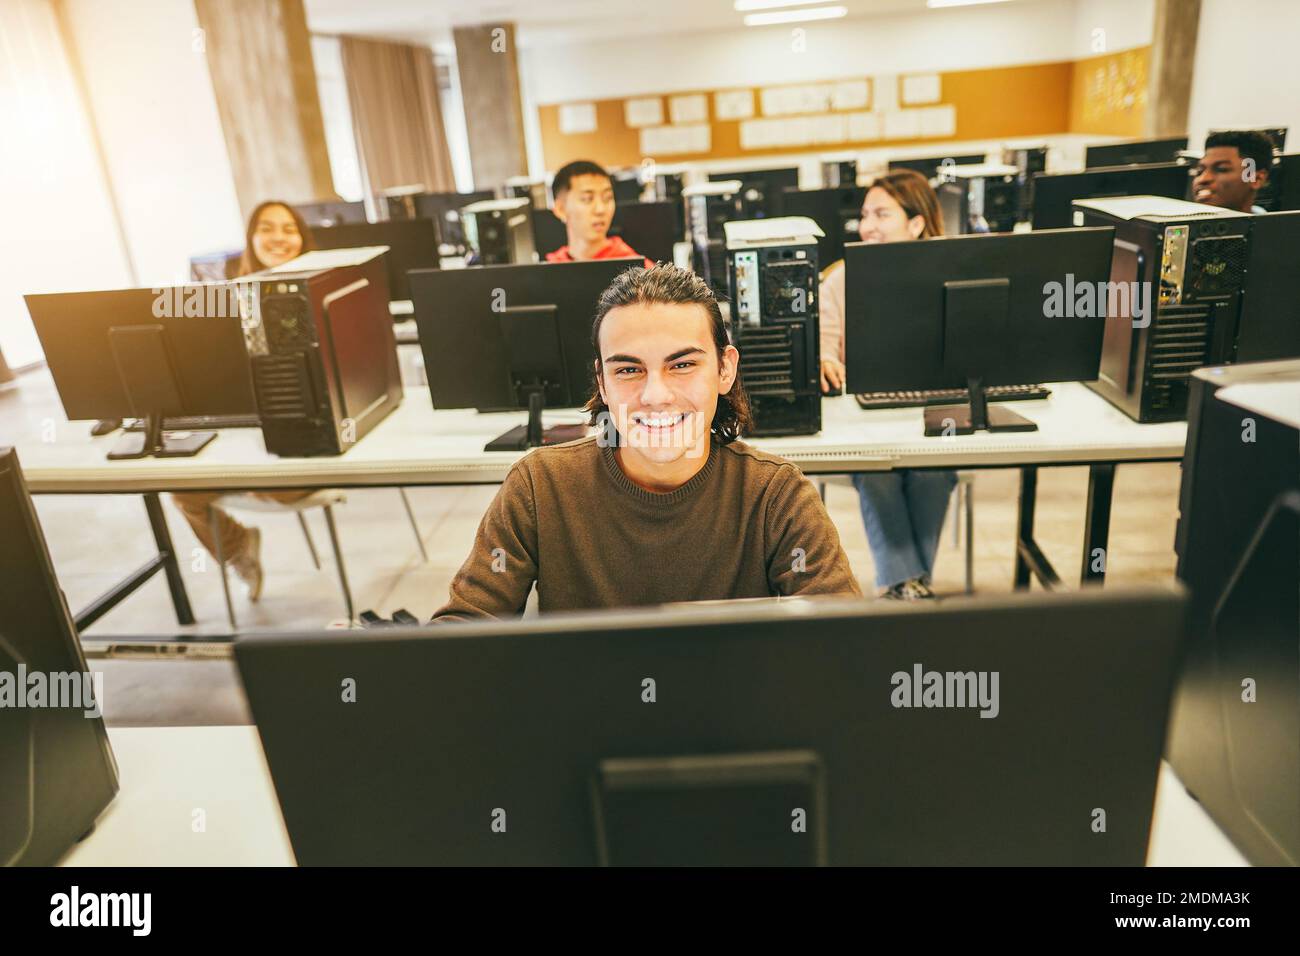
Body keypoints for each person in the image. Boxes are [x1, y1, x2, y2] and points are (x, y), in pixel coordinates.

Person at [429, 264, 862, 621]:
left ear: (725, 369)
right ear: (602, 380)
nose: (656, 395)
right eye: (629, 370)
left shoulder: (776, 496)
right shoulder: (540, 487)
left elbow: (845, 643)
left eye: (683, 364)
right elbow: (464, 632)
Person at [819, 169, 956, 601]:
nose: (867, 226)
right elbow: (824, 345)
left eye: (881, 214)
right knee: (878, 474)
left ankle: (905, 585)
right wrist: (825, 358)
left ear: (916, 224)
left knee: (932, 474)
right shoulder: (839, 279)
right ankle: (908, 585)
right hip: (864, 420)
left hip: (930, 414)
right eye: (864, 215)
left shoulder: (950, 273)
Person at [171, 200, 316, 600]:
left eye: (288, 229)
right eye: (267, 228)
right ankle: (238, 550)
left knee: (278, 485)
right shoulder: (231, 295)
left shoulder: (322, 286)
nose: (278, 238)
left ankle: (248, 480)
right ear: (251, 237)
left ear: (302, 238)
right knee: (182, 492)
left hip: (302, 435)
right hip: (244, 429)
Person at [545, 160, 653, 266]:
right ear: (561, 209)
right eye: (587, 199)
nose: (600, 209)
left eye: (608, 198)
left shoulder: (637, 269)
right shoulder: (551, 268)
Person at [1192, 130, 1275, 214]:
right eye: (1199, 171)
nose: (1202, 179)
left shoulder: (1273, 226)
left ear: (1256, 179)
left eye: (1222, 169)